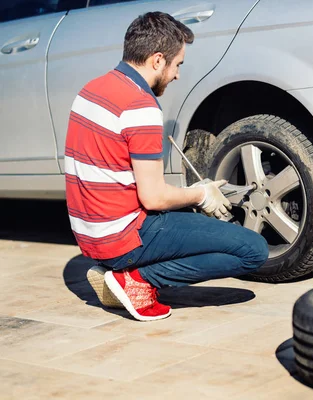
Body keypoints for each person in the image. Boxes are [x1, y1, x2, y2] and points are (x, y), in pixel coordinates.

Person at [65, 12, 269, 322]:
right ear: (158, 60)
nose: (176, 75)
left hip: (90, 237)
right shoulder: (140, 106)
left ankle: (120, 270)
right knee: (253, 250)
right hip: (123, 237)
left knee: (187, 219)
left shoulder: (90, 90)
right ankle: (138, 280)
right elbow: (154, 199)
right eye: (177, 65)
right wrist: (200, 195)